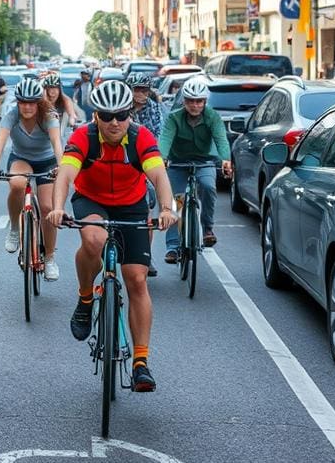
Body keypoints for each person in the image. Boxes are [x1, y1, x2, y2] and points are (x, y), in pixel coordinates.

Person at [47, 80, 177, 393]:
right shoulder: (85, 137)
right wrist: (56, 207)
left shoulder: (140, 138)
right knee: (93, 239)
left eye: (121, 114)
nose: (114, 122)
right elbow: (65, 173)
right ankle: (85, 297)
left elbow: (158, 174)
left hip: (132, 205)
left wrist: (166, 208)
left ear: (130, 114)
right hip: (92, 200)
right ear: (96, 117)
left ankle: (141, 363)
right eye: (106, 115)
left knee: (136, 280)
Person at [0, 78, 63, 280]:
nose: (27, 107)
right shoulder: (11, 115)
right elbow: (0, 141)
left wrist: (61, 167)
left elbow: (56, 143)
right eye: (22, 102)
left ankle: (50, 259)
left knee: (47, 208)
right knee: (17, 184)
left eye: (31, 102)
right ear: (17, 102)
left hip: (46, 161)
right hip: (21, 159)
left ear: (39, 102)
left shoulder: (49, 116)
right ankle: (14, 228)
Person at [158, 77, 232, 262]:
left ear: (205, 102)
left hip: (205, 161)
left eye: (199, 101)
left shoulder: (212, 117)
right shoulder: (174, 117)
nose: (194, 105)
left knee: (208, 187)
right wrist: (162, 158)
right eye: (190, 100)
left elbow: (221, 139)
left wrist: (225, 160)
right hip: (177, 162)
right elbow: (165, 139)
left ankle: (207, 228)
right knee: (177, 200)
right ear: (184, 101)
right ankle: (173, 246)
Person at [128, 73, 164, 277]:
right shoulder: (122, 107)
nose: (141, 93)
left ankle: (145, 256)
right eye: (137, 89)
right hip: (122, 160)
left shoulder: (154, 108)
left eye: (145, 90)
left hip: (146, 159)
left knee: (147, 209)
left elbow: (156, 134)